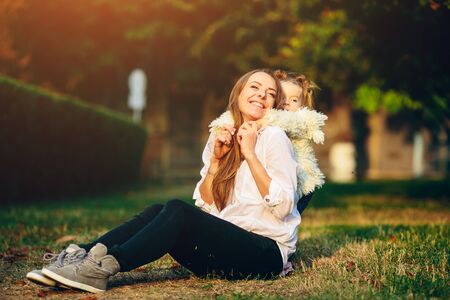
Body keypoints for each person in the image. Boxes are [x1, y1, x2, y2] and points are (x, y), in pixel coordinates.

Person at [26, 69, 301, 293]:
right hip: (226, 250)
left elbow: (284, 206)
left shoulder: (274, 138)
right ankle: (82, 255)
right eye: (254, 87)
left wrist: (251, 153)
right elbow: (207, 205)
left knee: (177, 209)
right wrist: (216, 162)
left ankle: (102, 269)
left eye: (270, 93)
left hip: (264, 256)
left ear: (274, 105)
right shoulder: (222, 135)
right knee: (158, 210)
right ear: (238, 93)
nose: (261, 95)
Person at [209, 70, 326, 215]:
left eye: (294, 100)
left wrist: (257, 123)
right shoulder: (268, 121)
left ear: (302, 106)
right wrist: (224, 125)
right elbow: (234, 118)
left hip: (303, 183)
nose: (286, 102)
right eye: (281, 96)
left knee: (284, 213)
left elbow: (282, 120)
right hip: (278, 178)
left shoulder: (298, 119)